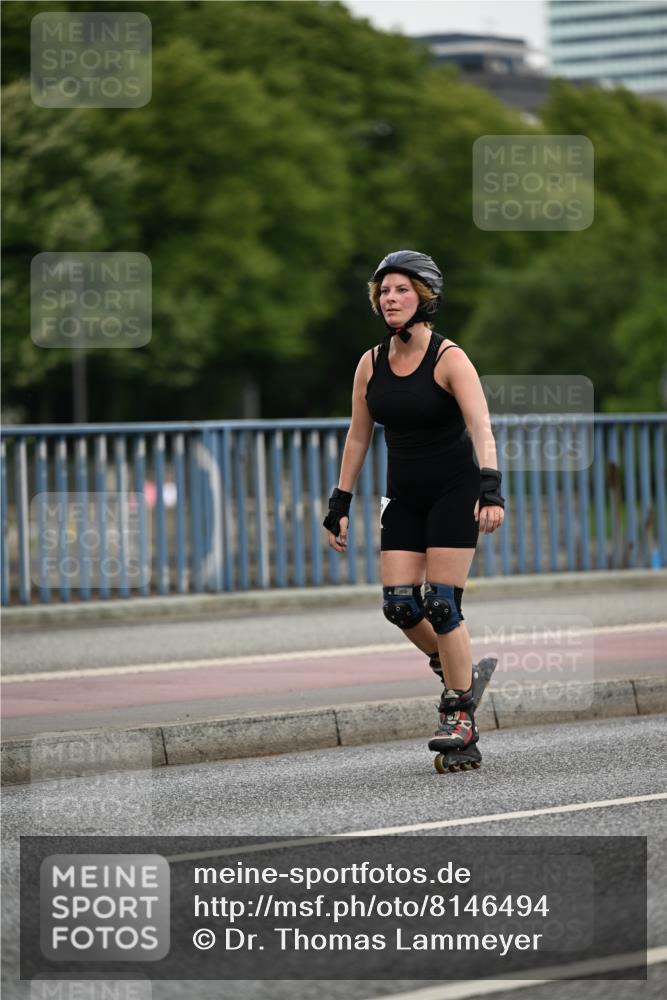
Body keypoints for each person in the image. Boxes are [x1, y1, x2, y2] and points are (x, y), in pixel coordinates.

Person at [323, 250, 504, 772]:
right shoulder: (371, 362)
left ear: (424, 297)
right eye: (383, 291)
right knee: (401, 607)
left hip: (454, 490)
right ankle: (459, 670)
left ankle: (460, 717)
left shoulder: (449, 358)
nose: (390, 299)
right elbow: (359, 434)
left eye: (401, 290)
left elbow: (481, 426)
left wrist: (490, 489)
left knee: (442, 604)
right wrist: (340, 501)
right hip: (402, 495)